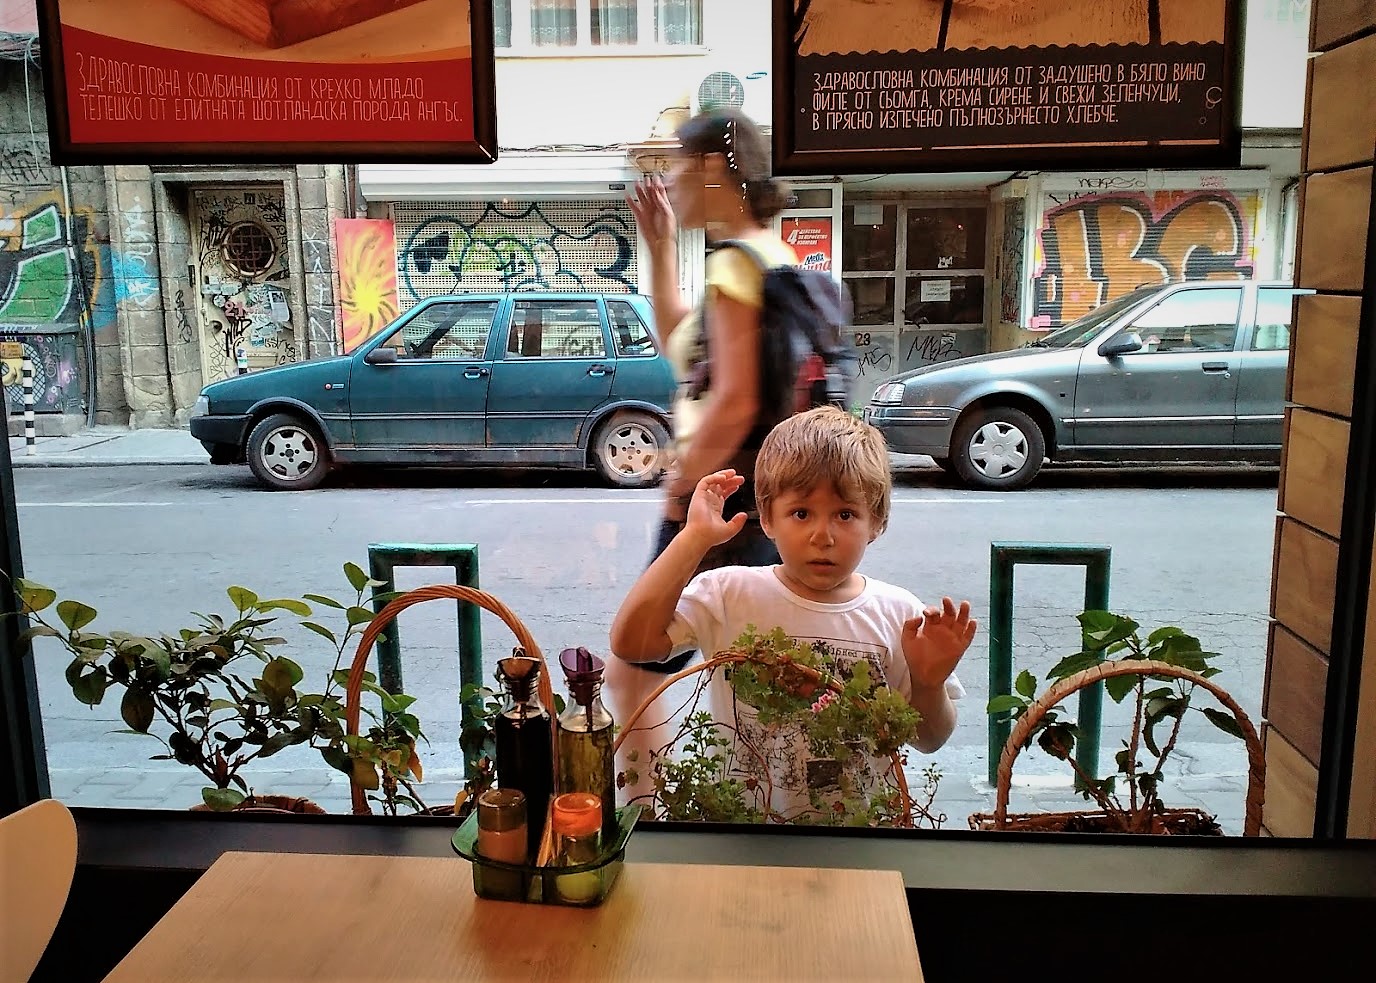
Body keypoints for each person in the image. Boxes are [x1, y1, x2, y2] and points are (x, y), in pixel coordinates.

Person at [609, 406, 976, 819]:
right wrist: (693, 539)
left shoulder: (899, 614)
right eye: (801, 513)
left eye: (845, 515)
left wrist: (928, 683)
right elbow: (632, 643)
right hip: (740, 832)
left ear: (876, 522)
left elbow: (929, 738)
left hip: (861, 835)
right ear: (768, 518)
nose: (823, 536)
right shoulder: (729, 593)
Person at [606, 107, 800, 769]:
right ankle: (739, 793)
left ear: (714, 168)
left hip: (717, 501)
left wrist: (679, 485)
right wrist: (660, 247)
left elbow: (735, 399)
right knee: (745, 665)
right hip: (762, 496)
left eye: (679, 168)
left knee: (634, 663)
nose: (671, 183)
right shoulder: (772, 259)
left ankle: (648, 804)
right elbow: (685, 350)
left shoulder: (733, 268)